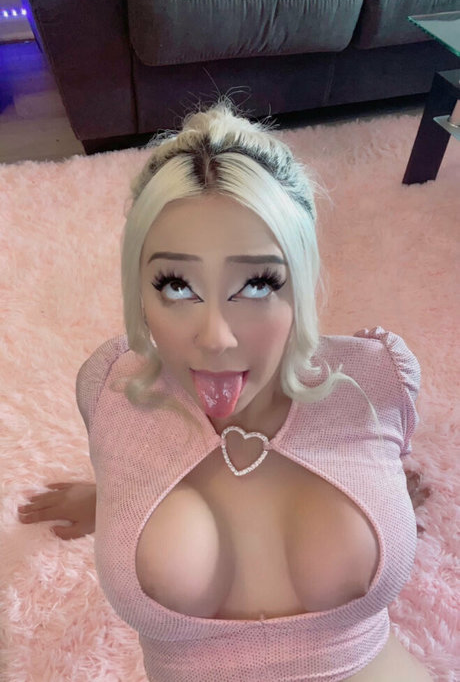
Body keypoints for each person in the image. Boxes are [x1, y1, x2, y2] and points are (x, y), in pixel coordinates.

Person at [17, 100, 433, 681]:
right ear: (139, 289)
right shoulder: (114, 393)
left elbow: (385, 455)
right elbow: (134, 463)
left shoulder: (378, 381)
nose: (215, 337)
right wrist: (106, 499)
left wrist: (382, 489)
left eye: (257, 283)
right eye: (177, 285)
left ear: (302, 281)